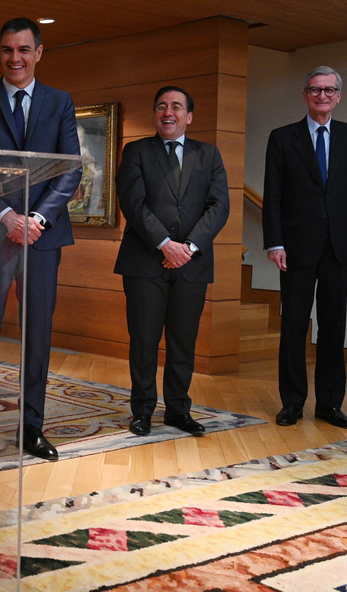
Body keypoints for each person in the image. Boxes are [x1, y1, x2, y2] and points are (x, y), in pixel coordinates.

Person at [0, 18, 81, 463]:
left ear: (39, 52)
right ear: (0, 53)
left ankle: (32, 428)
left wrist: (36, 220)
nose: (15, 58)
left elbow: (70, 169)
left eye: (24, 50)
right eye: (7, 50)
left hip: (42, 240)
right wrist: (7, 217)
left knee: (37, 337)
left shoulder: (60, 102)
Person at [114, 86, 229, 437]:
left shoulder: (209, 155)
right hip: (145, 263)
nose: (169, 112)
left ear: (189, 116)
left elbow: (219, 206)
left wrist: (189, 247)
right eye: (162, 106)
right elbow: (133, 204)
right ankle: (143, 411)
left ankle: (178, 410)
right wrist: (166, 244)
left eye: (176, 107)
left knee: (183, 342)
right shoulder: (136, 151)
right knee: (144, 341)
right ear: (155, 114)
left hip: (192, 265)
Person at [263, 66, 347, 430]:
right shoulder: (282, 138)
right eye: (314, 89)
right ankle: (291, 403)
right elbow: (273, 195)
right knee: (293, 325)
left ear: (339, 95)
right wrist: (274, 242)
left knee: (333, 326)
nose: (321, 95)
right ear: (305, 94)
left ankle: (329, 404)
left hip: (340, 247)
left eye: (328, 90)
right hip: (294, 248)